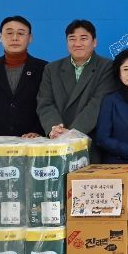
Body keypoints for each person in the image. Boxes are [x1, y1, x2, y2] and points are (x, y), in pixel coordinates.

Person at [37, 19, 117, 161]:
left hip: (89, 141)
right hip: (56, 142)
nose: (77, 43)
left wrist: (72, 134)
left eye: (83, 38)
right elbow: (45, 103)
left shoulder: (107, 67)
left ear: (94, 42)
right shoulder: (51, 68)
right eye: (72, 39)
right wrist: (55, 128)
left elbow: (97, 103)